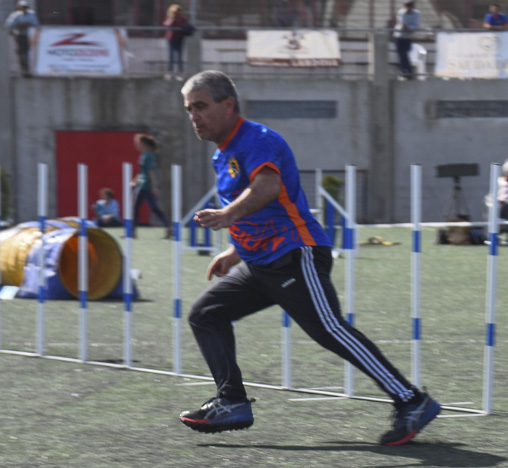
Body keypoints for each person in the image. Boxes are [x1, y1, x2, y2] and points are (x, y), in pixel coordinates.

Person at [177, 70, 440, 444]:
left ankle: (412, 400)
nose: (194, 117)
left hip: (294, 255)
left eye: (200, 107)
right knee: (206, 315)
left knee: (330, 330)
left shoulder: (257, 139)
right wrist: (234, 254)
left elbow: (268, 188)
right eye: (189, 109)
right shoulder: (223, 155)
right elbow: (260, 211)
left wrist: (226, 216)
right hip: (261, 263)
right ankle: (232, 401)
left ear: (228, 105)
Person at [132, 133, 173, 239]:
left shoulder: (149, 155)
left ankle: (132, 231)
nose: (137, 145)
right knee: (154, 208)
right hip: (142, 184)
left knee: (136, 207)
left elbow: (151, 172)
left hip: (146, 186)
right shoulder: (143, 155)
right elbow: (142, 172)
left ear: (144, 144)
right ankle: (168, 227)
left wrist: (154, 187)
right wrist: (135, 181)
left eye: (139, 143)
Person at [4, 1, 39, 77]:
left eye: (25, 7)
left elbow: (36, 24)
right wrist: (18, 24)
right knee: (21, 52)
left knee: (25, 52)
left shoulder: (31, 14)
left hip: (28, 36)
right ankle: (22, 69)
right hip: (19, 35)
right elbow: (8, 24)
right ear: (19, 7)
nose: (23, 9)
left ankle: (25, 69)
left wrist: (28, 24)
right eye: (22, 7)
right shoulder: (15, 15)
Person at [162, 4, 192, 80]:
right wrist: (173, 19)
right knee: (171, 57)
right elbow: (166, 24)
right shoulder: (171, 18)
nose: (177, 14)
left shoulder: (182, 19)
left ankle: (180, 73)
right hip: (171, 39)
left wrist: (181, 24)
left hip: (180, 39)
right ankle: (169, 72)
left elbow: (186, 26)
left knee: (179, 58)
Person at [393, 1, 420, 79]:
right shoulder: (401, 12)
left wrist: (408, 27)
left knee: (405, 54)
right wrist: (409, 27)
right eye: (407, 6)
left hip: (408, 38)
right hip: (399, 37)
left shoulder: (416, 14)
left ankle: (407, 71)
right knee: (401, 55)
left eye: (410, 6)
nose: (408, 8)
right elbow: (402, 24)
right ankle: (406, 72)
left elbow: (415, 25)